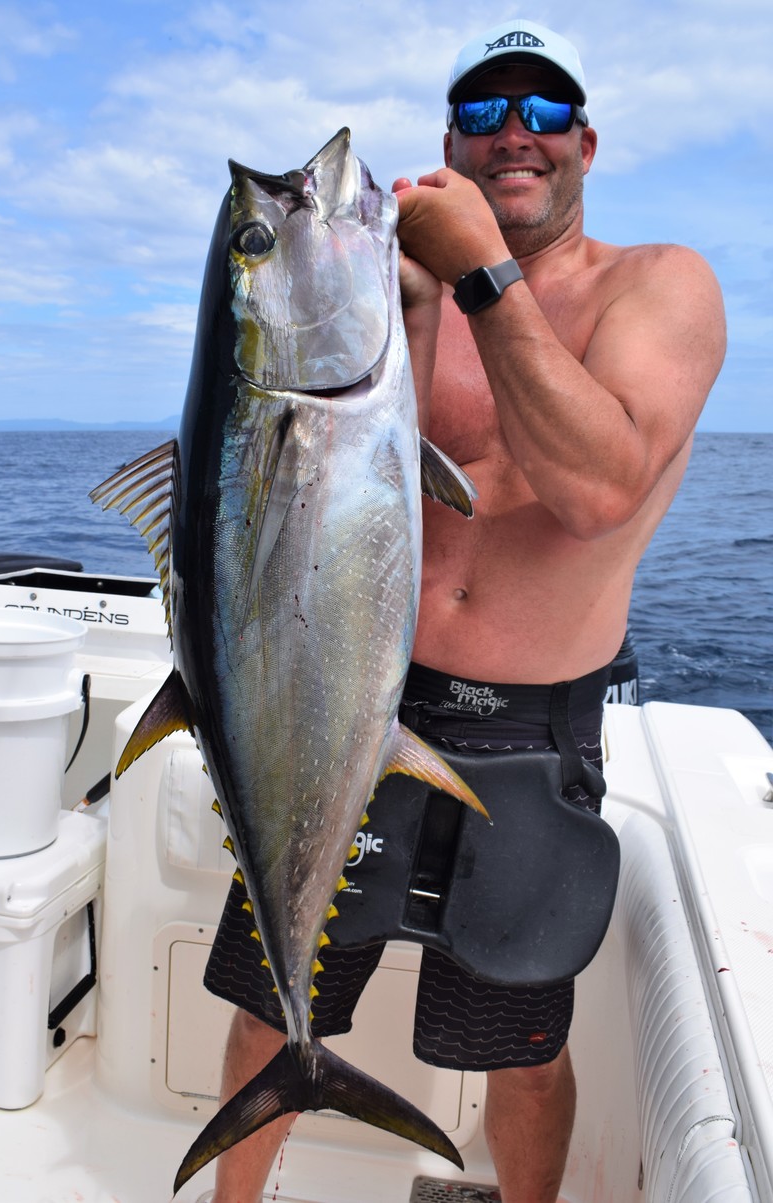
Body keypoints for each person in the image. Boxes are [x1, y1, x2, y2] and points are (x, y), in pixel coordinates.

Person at [203, 18, 726, 1202]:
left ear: (582, 142)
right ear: (448, 137)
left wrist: (483, 273)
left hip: (530, 738)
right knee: (260, 1017)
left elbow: (594, 490)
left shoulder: (660, 285)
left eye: (541, 114)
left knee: (524, 1056)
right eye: (482, 114)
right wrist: (420, 295)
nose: (511, 136)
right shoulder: (393, 297)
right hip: (351, 697)